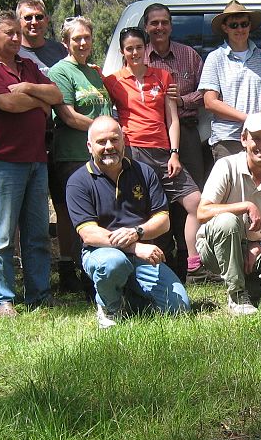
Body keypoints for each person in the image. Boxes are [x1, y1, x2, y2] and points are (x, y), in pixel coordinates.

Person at [0, 10, 64, 317]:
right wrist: (40, 101)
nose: (15, 37)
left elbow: (57, 93)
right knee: (3, 236)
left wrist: (29, 89)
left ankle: (39, 294)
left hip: (37, 159)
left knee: (36, 234)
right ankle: (4, 300)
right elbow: (6, 103)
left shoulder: (28, 66)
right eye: (8, 32)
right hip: (3, 162)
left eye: (16, 33)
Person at [65, 116, 191, 328]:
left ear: (124, 141)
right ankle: (110, 308)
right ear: (89, 146)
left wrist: (138, 231)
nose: (109, 147)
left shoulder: (144, 172)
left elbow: (163, 220)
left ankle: (129, 299)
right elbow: (89, 234)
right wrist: (135, 246)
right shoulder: (78, 181)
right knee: (113, 262)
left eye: (114, 140)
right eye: (101, 142)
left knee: (179, 308)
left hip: (141, 254)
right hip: (101, 252)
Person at [104, 27, 202, 284]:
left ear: (145, 49)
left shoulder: (162, 76)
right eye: (129, 48)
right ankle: (143, 266)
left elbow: (172, 118)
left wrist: (174, 153)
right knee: (141, 211)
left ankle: (194, 263)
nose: (134, 52)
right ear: (122, 52)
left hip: (163, 152)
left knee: (195, 202)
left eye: (138, 47)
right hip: (133, 152)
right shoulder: (113, 81)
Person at [195, 113, 261, 315]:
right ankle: (236, 295)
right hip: (216, 247)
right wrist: (245, 206)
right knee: (227, 221)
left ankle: (245, 289)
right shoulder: (226, 166)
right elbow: (202, 212)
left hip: (257, 246)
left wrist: (259, 247)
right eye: (256, 138)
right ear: (243, 139)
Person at [45, 16, 112, 294]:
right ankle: (69, 269)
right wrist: (106, 130)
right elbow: (68, 116)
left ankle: (94, 267)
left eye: (87, 37)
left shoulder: (95, 72)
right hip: (71, 154)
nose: (83, 42)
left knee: (97, 211)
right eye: (76, 38)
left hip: (99, 154)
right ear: (66, 43)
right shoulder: (60, 72)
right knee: (70, 214)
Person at [199, 0, 261, 160]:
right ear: (225, 28)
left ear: (250, 26)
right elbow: (210, 102)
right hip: (227, 138)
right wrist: (249, 120)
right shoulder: (215, 58)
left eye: (244, 24)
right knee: (231, 185)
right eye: (234, 25)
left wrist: (258, 123)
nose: (240, 29)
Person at [142, 3, 208, 187]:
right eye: (154, 23)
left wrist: (181, 101)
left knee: (194, 187)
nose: (160, 27)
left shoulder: (189, 55)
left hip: (187, 131)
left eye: (164, 22)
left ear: (171, 26)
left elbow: (207, 93)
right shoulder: (138, 57)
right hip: (152, 133)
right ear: (146, 27)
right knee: (154, 189)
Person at [16, 0, 67, 74]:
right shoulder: (12, 53)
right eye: (28, 18)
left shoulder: (60, 50)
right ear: (18, 22)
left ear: (46, 20)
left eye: (39, 17)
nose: (34, 22)